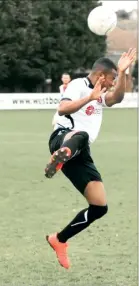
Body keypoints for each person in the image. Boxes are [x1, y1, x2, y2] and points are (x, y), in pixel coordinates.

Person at [44, 48, 136, 269]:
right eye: (112, 79)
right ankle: (61, 155)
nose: (113, 84)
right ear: (101, 76)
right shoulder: (78, 85)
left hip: (80, 153)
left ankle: (59, 239)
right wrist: (89, 98)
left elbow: (116, 99)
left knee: (99, 206)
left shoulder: (102, 92)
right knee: (81, 136)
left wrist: (122, 72)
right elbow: (63, 108)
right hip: (62, 139)